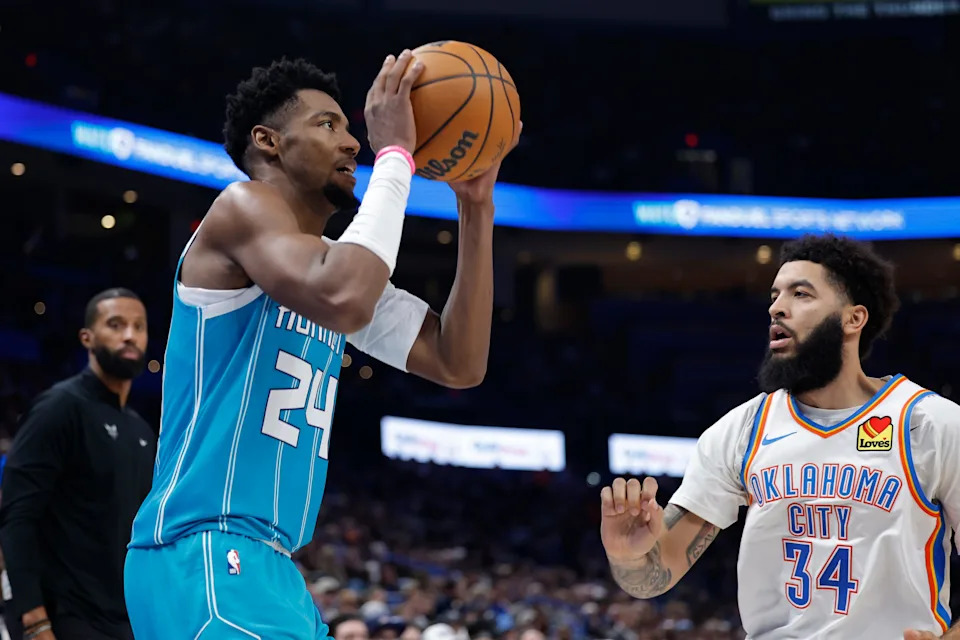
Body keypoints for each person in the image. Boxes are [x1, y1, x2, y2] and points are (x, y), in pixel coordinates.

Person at [124, 53, 519, 640]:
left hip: (274, 568)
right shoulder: (243, 208)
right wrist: (396, 156)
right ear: (269, 142)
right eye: (327, 125)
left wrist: (475, 207)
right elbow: (343, 295)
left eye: (351, 128)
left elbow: (458, 362)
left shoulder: (330, 272)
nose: (353, 143)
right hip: (203, 547)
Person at [600, 234, 960, 640]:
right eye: (774, 295)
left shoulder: (931, 424)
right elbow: (654, 573)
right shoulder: (742, 429)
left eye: (801, 294)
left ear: (853, 319)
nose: (776, 307)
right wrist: (626, 554)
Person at [0, 288, 156, 640]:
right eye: (115, 325)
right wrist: (34, 619)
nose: (129, 335)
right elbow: (18, 516)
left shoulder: (141, 430)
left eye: (138, 326)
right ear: (87, 337)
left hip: (122, 618)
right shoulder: (59, 408)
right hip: (62, 616)